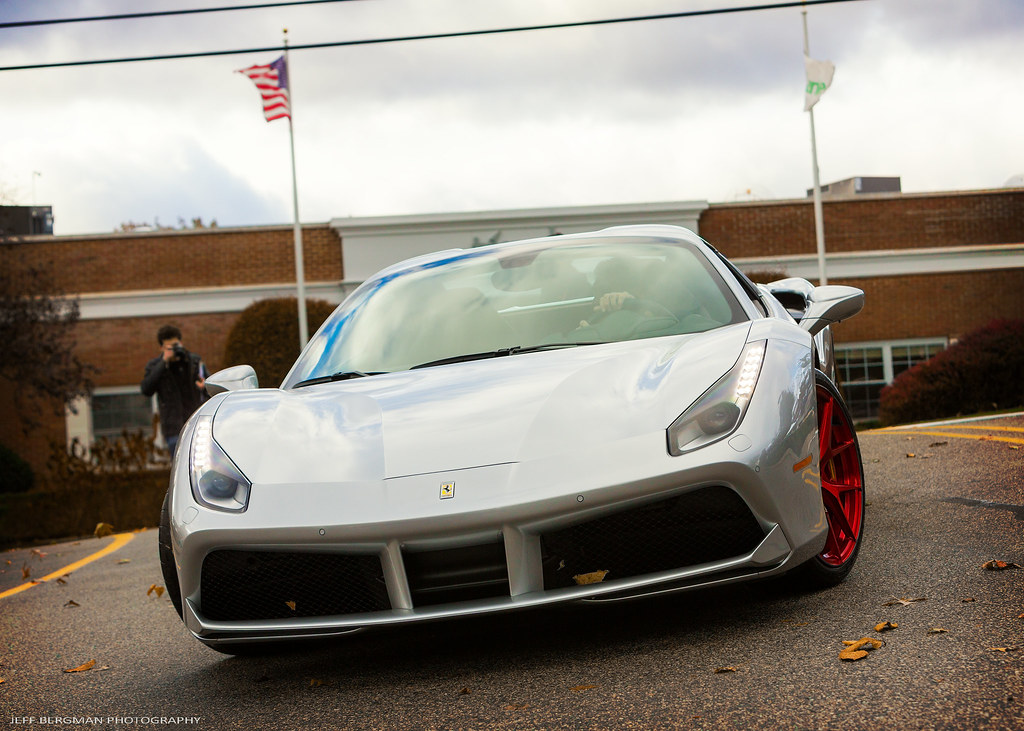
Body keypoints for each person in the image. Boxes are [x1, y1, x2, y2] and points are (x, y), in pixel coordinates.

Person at [141, 325, 208, 458]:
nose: (174, 350)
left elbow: (208, 387)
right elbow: (146, 389)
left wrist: (204, 387)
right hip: (173, 428)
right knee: (180, 464)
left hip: (196, 424)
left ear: (181, 343)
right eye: (169, 347)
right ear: (161, 348)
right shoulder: (155, 366)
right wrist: (164, 362)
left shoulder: (193, 361)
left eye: (176, 345)